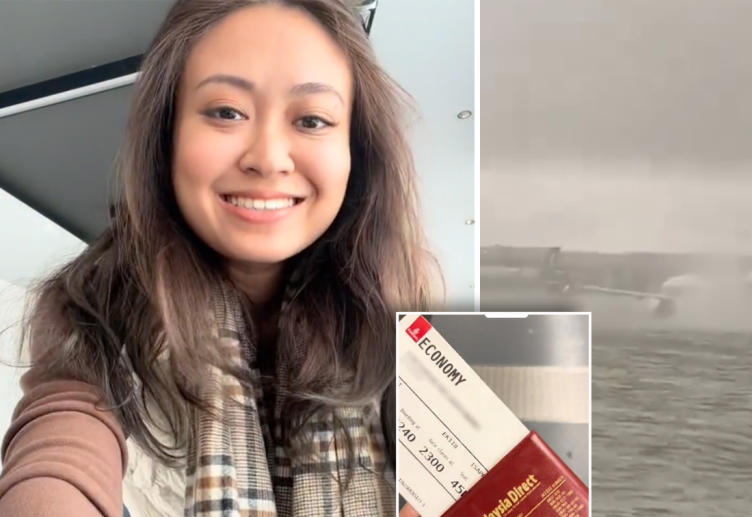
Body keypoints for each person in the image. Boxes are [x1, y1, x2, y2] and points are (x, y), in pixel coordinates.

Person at [0, 1, 437, 515]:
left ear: (355, 151)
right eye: (226, 112)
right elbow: (58, 454)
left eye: (313, 120)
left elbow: (474, 461)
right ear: (167, 134)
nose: (268, 158)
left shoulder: (402, 304)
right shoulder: (95, 307)